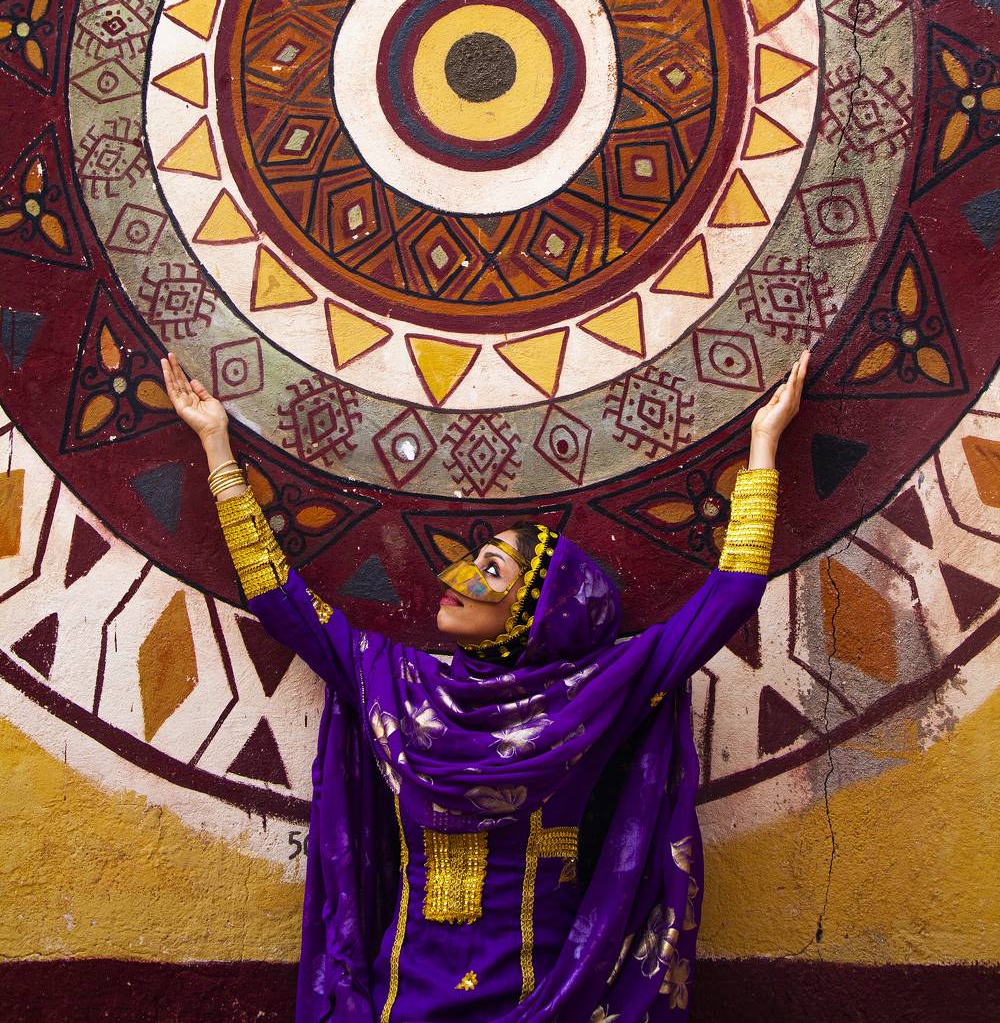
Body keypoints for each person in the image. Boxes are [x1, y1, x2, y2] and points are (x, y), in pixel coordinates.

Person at [161, 347, 808, 1023]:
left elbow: (731, 596)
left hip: (544, 1005)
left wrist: (763, 444)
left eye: (491, 570)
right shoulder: (396, 683)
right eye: (472, 559)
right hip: (398, 1003)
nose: (457, 579)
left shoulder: (592, 698)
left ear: (538, 612)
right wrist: (217, 446)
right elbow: (280, 600)